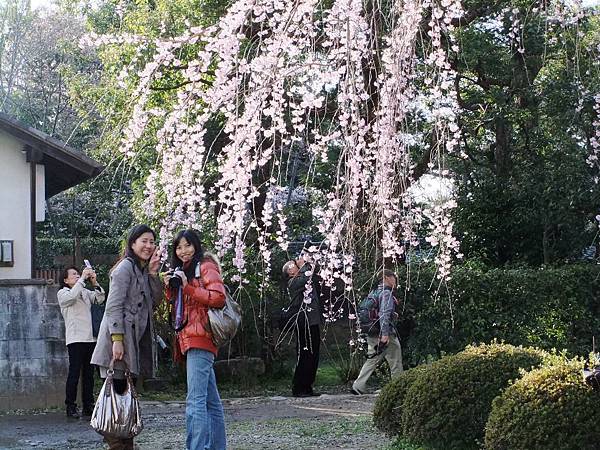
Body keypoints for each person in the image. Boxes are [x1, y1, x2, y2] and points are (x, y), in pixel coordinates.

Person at [91, 224, 162, 450]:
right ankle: (118, 445)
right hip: (117, 343)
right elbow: (113, 307)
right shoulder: (124, 268)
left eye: (152, 241)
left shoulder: (142, 270)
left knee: (126, 401)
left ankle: (124, 445)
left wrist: (153, 274)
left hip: (131, 343)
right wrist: (118, 339)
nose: (148, 246)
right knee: (117, 398)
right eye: (144, 241)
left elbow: (155, 303)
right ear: (132, 243)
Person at [163, 229, 227, 450]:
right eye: (179, 247)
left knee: (195, 401)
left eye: (187, 245)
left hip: (201, 338)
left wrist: (187, 287)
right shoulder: (182, 270)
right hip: (189, 338)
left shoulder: (206, 265)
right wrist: (172, 287)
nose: (183, 251)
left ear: (196, 246)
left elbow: (218, 298)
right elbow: (180, 308)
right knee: (210, 402)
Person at [57, 265, 105, 419]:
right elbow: (71, 297)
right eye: (73, 274)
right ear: (65, 280)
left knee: (89, 375)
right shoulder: (63, 293)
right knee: (74, 373)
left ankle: (88, 405)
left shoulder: (84, 291)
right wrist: (83, 280)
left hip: (90, 338)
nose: (77, 276)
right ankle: (70, 406)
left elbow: (100, 298)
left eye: (78, 274)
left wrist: (95, 282)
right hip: (76, 338)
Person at [351, 269, 403, 395]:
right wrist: (385, 334)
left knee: (372, 359)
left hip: (372, 332)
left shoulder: (374, 292)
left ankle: (358, 386)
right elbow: (384, 315)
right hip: (384, 333)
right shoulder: (386, 293)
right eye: (393, 277)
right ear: (386, 277)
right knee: (395, 359)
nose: (395, 279)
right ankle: (399, 387)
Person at [282, 258, 321, 398]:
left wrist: (308, 263)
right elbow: (306, 276)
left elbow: (313, 270)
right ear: (289, 272)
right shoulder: (292, 282)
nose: (296, 266)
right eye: (293, 266)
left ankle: (308, 386)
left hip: (313, 321)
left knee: (314, 354)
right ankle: (299, 387)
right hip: (303, 322)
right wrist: (304, 265)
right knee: (304, 354)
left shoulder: (304, 277)